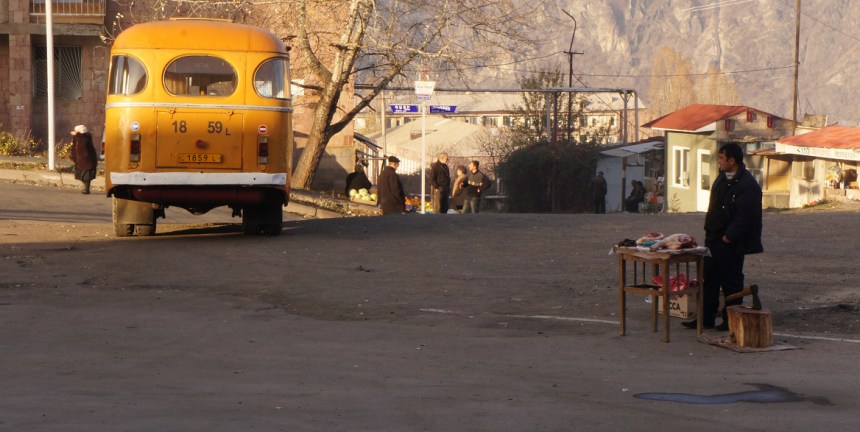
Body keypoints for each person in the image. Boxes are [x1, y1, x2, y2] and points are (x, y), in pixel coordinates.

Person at [683, 143, 763, 331]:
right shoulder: (722, 178)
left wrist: (729, 237)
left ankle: (731, 320)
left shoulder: (747, 184)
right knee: (709, 280)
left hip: (730, 243)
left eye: (721, 158)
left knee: (731, 281)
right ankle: (705, 318)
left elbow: (746, 216)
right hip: (713, 240)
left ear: (731, 160)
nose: (719, 161)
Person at [69, 125, 97, 194]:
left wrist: (77, 134)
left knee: (87, 176)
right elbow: (74, 146)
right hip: (79, 160)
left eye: (77, 131)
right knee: (80, 175)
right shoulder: (78, 137)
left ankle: (87, 189)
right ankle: (86, 188)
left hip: (87, 160)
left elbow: (83, 141)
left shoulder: (85, 136)